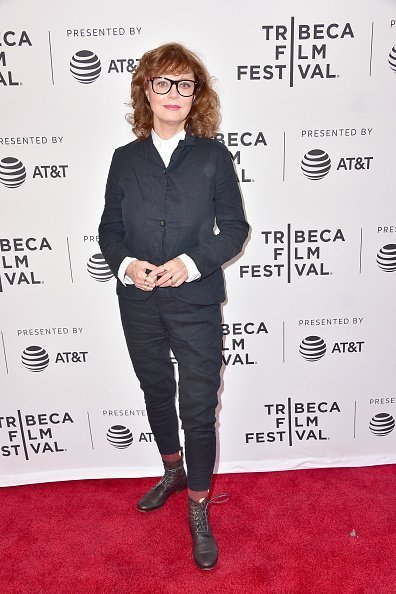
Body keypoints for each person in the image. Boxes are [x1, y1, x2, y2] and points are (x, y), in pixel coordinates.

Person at [98, 42, 249, 570]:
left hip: (196, 302)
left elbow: (235, 229)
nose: (173, 93)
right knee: (156, 388)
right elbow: (109, 232)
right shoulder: (125, 159)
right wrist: (127, 266)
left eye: (184, 84)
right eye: (163, 82)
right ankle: (172, 469)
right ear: (146, 90)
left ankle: (199, 506)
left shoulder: (213, 157)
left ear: (195, 95)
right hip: (137, 300)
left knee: (198, 406)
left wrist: (188, 262)